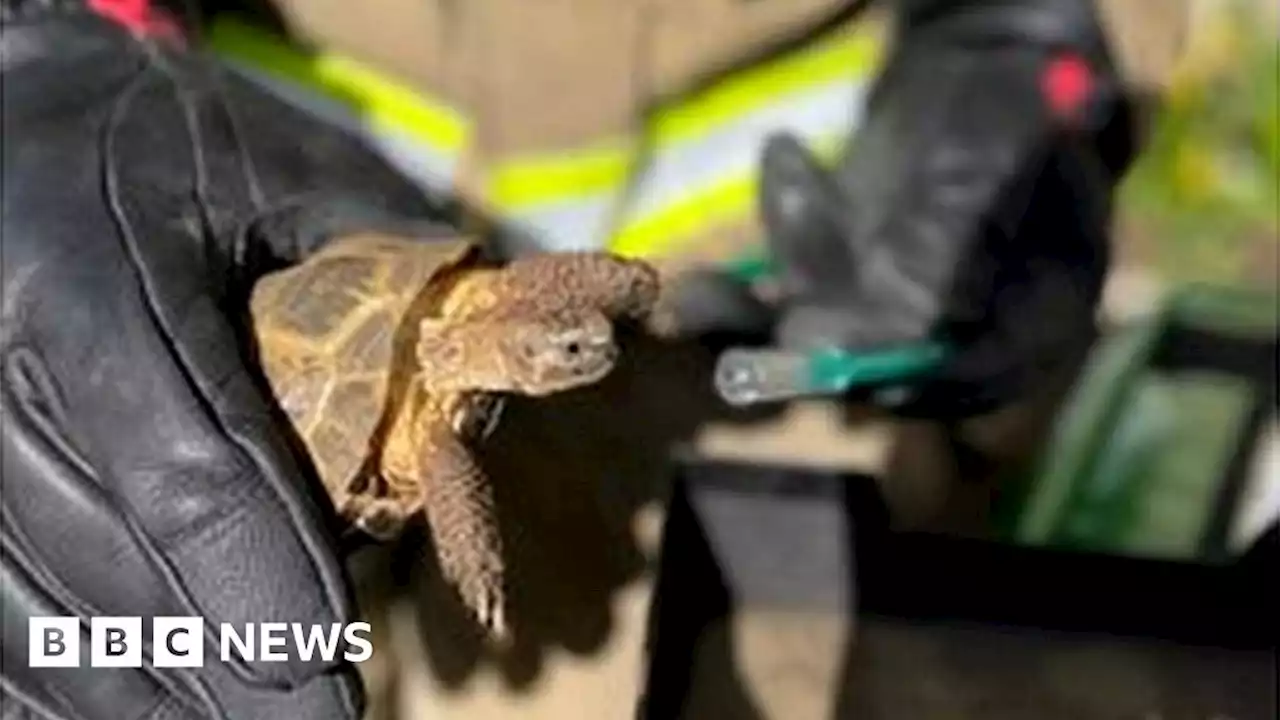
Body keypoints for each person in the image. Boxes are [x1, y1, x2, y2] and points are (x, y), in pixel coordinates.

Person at [0, 0, 1190, 718]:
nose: (572, 352)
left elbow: (580, 309)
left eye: (566, 346)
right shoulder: (443, 432)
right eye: (558, 349)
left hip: (771, 321)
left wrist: (1040, 37)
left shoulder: (541, 316)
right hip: (188, 234)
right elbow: (446, 464)